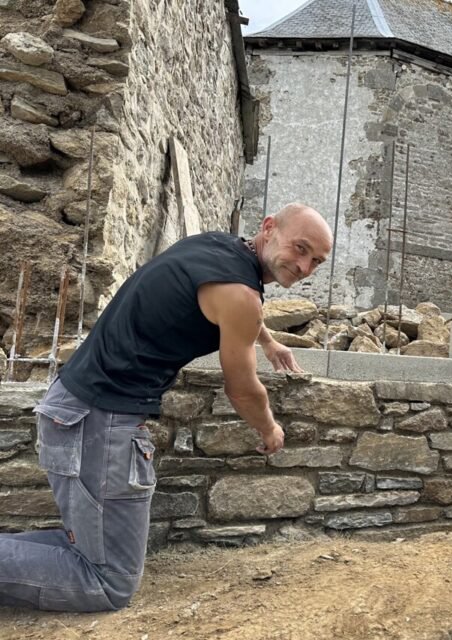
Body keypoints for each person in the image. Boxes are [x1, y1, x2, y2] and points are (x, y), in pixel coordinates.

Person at [0, 203, 332, 612]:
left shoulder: (219, 247)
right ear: (269, 228)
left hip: (77, 408)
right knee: (107, 583)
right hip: (98, 421)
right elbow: (243, 389)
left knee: (90, 553)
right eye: (300, 249)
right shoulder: (240, 296)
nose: (304, 267)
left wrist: (266, 340)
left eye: (316, 261)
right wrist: (270, 430)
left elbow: (242, 306)